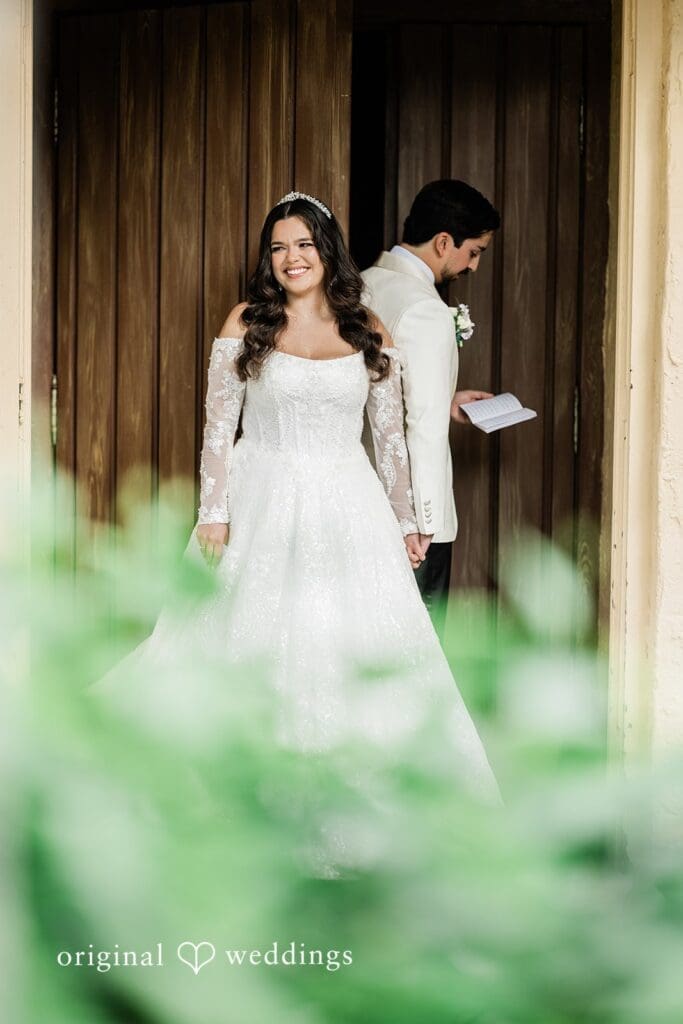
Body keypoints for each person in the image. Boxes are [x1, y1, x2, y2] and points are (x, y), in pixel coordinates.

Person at [96, 191, 499, 808]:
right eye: (280, 247)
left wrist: (407, 522)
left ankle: (344, 794)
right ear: (269, 259)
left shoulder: (368, 329)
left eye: (304, 244)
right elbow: (218, 430)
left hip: (348, 502)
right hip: (261, 497)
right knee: (240, 638)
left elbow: (390, 440)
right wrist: (213, 513)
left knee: (343, 641)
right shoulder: (246, 322)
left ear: (327, 251)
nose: (292, 257)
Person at [361, 180, 501, 639]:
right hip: (414, 522)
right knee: (417, 653)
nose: (474, 266)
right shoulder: (424, 308)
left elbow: (377, 394)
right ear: (444, 242)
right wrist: (423, 522)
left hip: (358, 494)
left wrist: (448, 401)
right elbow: (420, 425)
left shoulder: (359, 286)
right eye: (474, 251)